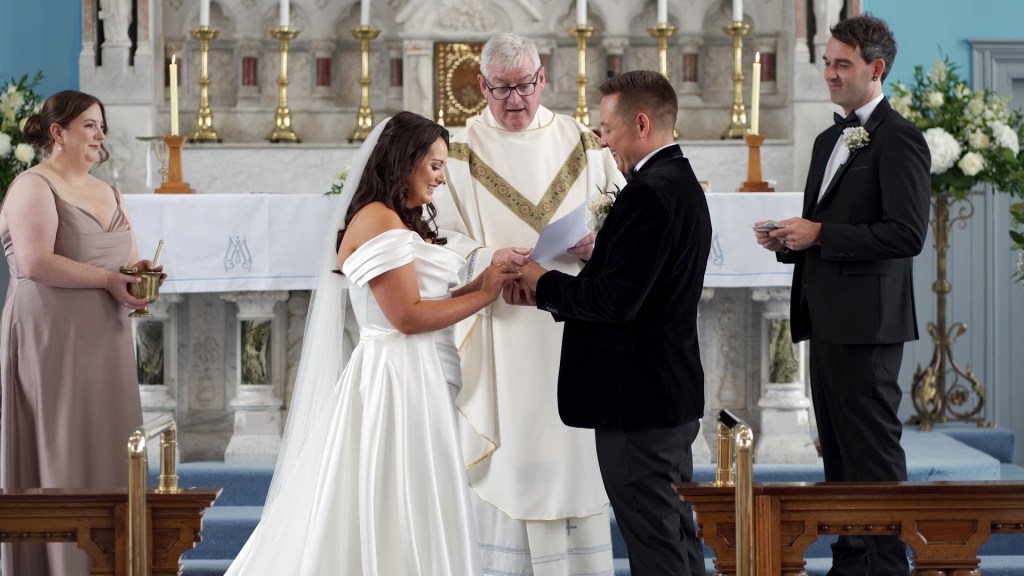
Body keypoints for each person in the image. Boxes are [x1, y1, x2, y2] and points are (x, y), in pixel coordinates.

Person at [224, 111, 521, 575]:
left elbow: (424, 301)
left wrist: (485, 282)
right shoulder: (378, 221)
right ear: (405, 161)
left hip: (414, 371)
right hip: (396, 378)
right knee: (395, 494)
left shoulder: (393, 218)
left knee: (415, 492)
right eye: (436, 165)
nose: (442, 178)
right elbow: (405, 317)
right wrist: (484, 295)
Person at [432, 32, 625, 575]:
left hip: (572, 319)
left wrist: (598, 245)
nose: (515, 100)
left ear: (544, 79)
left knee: (573, 445)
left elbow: (620, 217)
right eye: (501, 89)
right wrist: (489, 259)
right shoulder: (457, 149)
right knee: (511, 447)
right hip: (501, 322)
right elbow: (439, 235)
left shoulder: (583, 142)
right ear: (480, 85)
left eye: (525, 86)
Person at [754, 13, 930, 575]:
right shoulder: (829, 137)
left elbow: (907, 234)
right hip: (825, 319)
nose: (828, 73)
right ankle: (851, 561)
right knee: (836, 454)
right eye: (828, 62)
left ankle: (886, 566)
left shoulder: (900, 139)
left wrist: (821, 234)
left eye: (841, 64)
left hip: (870, 325)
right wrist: (790, 240)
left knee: (873, 456)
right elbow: (825, 226)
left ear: (876, 69)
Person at [516, 69, 711, 576]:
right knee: (675, 535)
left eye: (607, 128)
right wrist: (600, 260)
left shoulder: (647, 192)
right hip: (665, 394)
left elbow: (614, 303)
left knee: (655, 543)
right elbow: (641, 283)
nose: (602, 141)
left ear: (641, 123)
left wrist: (542, 282)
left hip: (638, 404)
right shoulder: (680, 181)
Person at [0, 90, 156, 575]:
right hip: (54, 337)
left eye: (101, 126)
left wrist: (137, 274)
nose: (100, 135)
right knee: (61, 447)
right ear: (57, 133)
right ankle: (57, 565)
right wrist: (111, 280)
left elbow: (121, 260)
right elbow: (33, 262)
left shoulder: (108, 191)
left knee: (110, 448)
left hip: (105, 337)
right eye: (90, 125)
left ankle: (112, 564)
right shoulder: (33, 185)